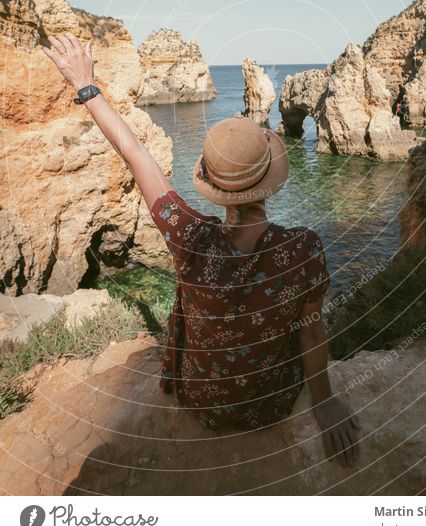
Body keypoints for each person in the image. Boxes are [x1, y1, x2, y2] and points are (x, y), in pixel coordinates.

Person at [41, 32, 361, 468]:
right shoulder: (302, 250)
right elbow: (311, 332)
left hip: (202, 401)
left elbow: (136, 156)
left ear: (212, 188)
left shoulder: (187, 238)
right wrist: (324, 403)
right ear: (270, 180)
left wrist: (87, 86)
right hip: (270, 403)